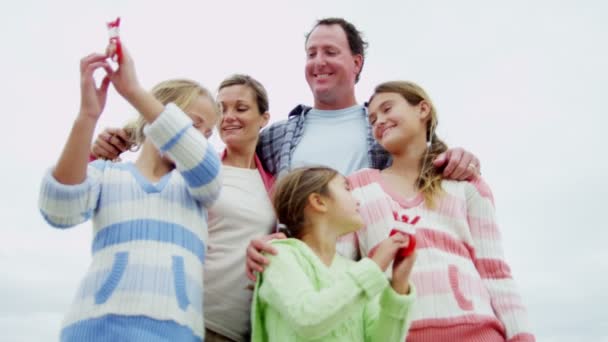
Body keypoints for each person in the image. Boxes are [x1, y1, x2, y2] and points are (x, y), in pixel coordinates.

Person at [38, 43, 222, 341]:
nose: (198, 138)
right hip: (95, 328)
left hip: (176, 331)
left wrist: (133, 90)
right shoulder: (106, 173)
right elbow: (59, 210)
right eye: (192, 125)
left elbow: (206, 165)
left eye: (207, 133)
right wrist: (87, 116)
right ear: (157, 118)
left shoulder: (198, 186)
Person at [349, 81, 535, 341]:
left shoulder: (467, 185)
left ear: (422, 109)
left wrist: (521, 337)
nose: (379, 121)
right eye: (372, 119)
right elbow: (341, 268)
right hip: (394, 333)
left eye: (388, 108)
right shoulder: (358, 186)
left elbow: (495, 273)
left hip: (478, 331)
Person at [250, 167, 416, 341]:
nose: (358, 200)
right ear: (319, 201)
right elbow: (307, 320)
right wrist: (374, 266)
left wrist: (399, 287)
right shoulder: (278, 255)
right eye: (347, 188)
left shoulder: (356, 270)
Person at [203, 75, 278, 342]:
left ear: (264, 118)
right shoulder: (203, 168)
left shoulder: (274, 183)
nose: (229, 116)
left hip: (243, 331)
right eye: (221, 109)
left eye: (241, 108)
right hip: (194, 318)